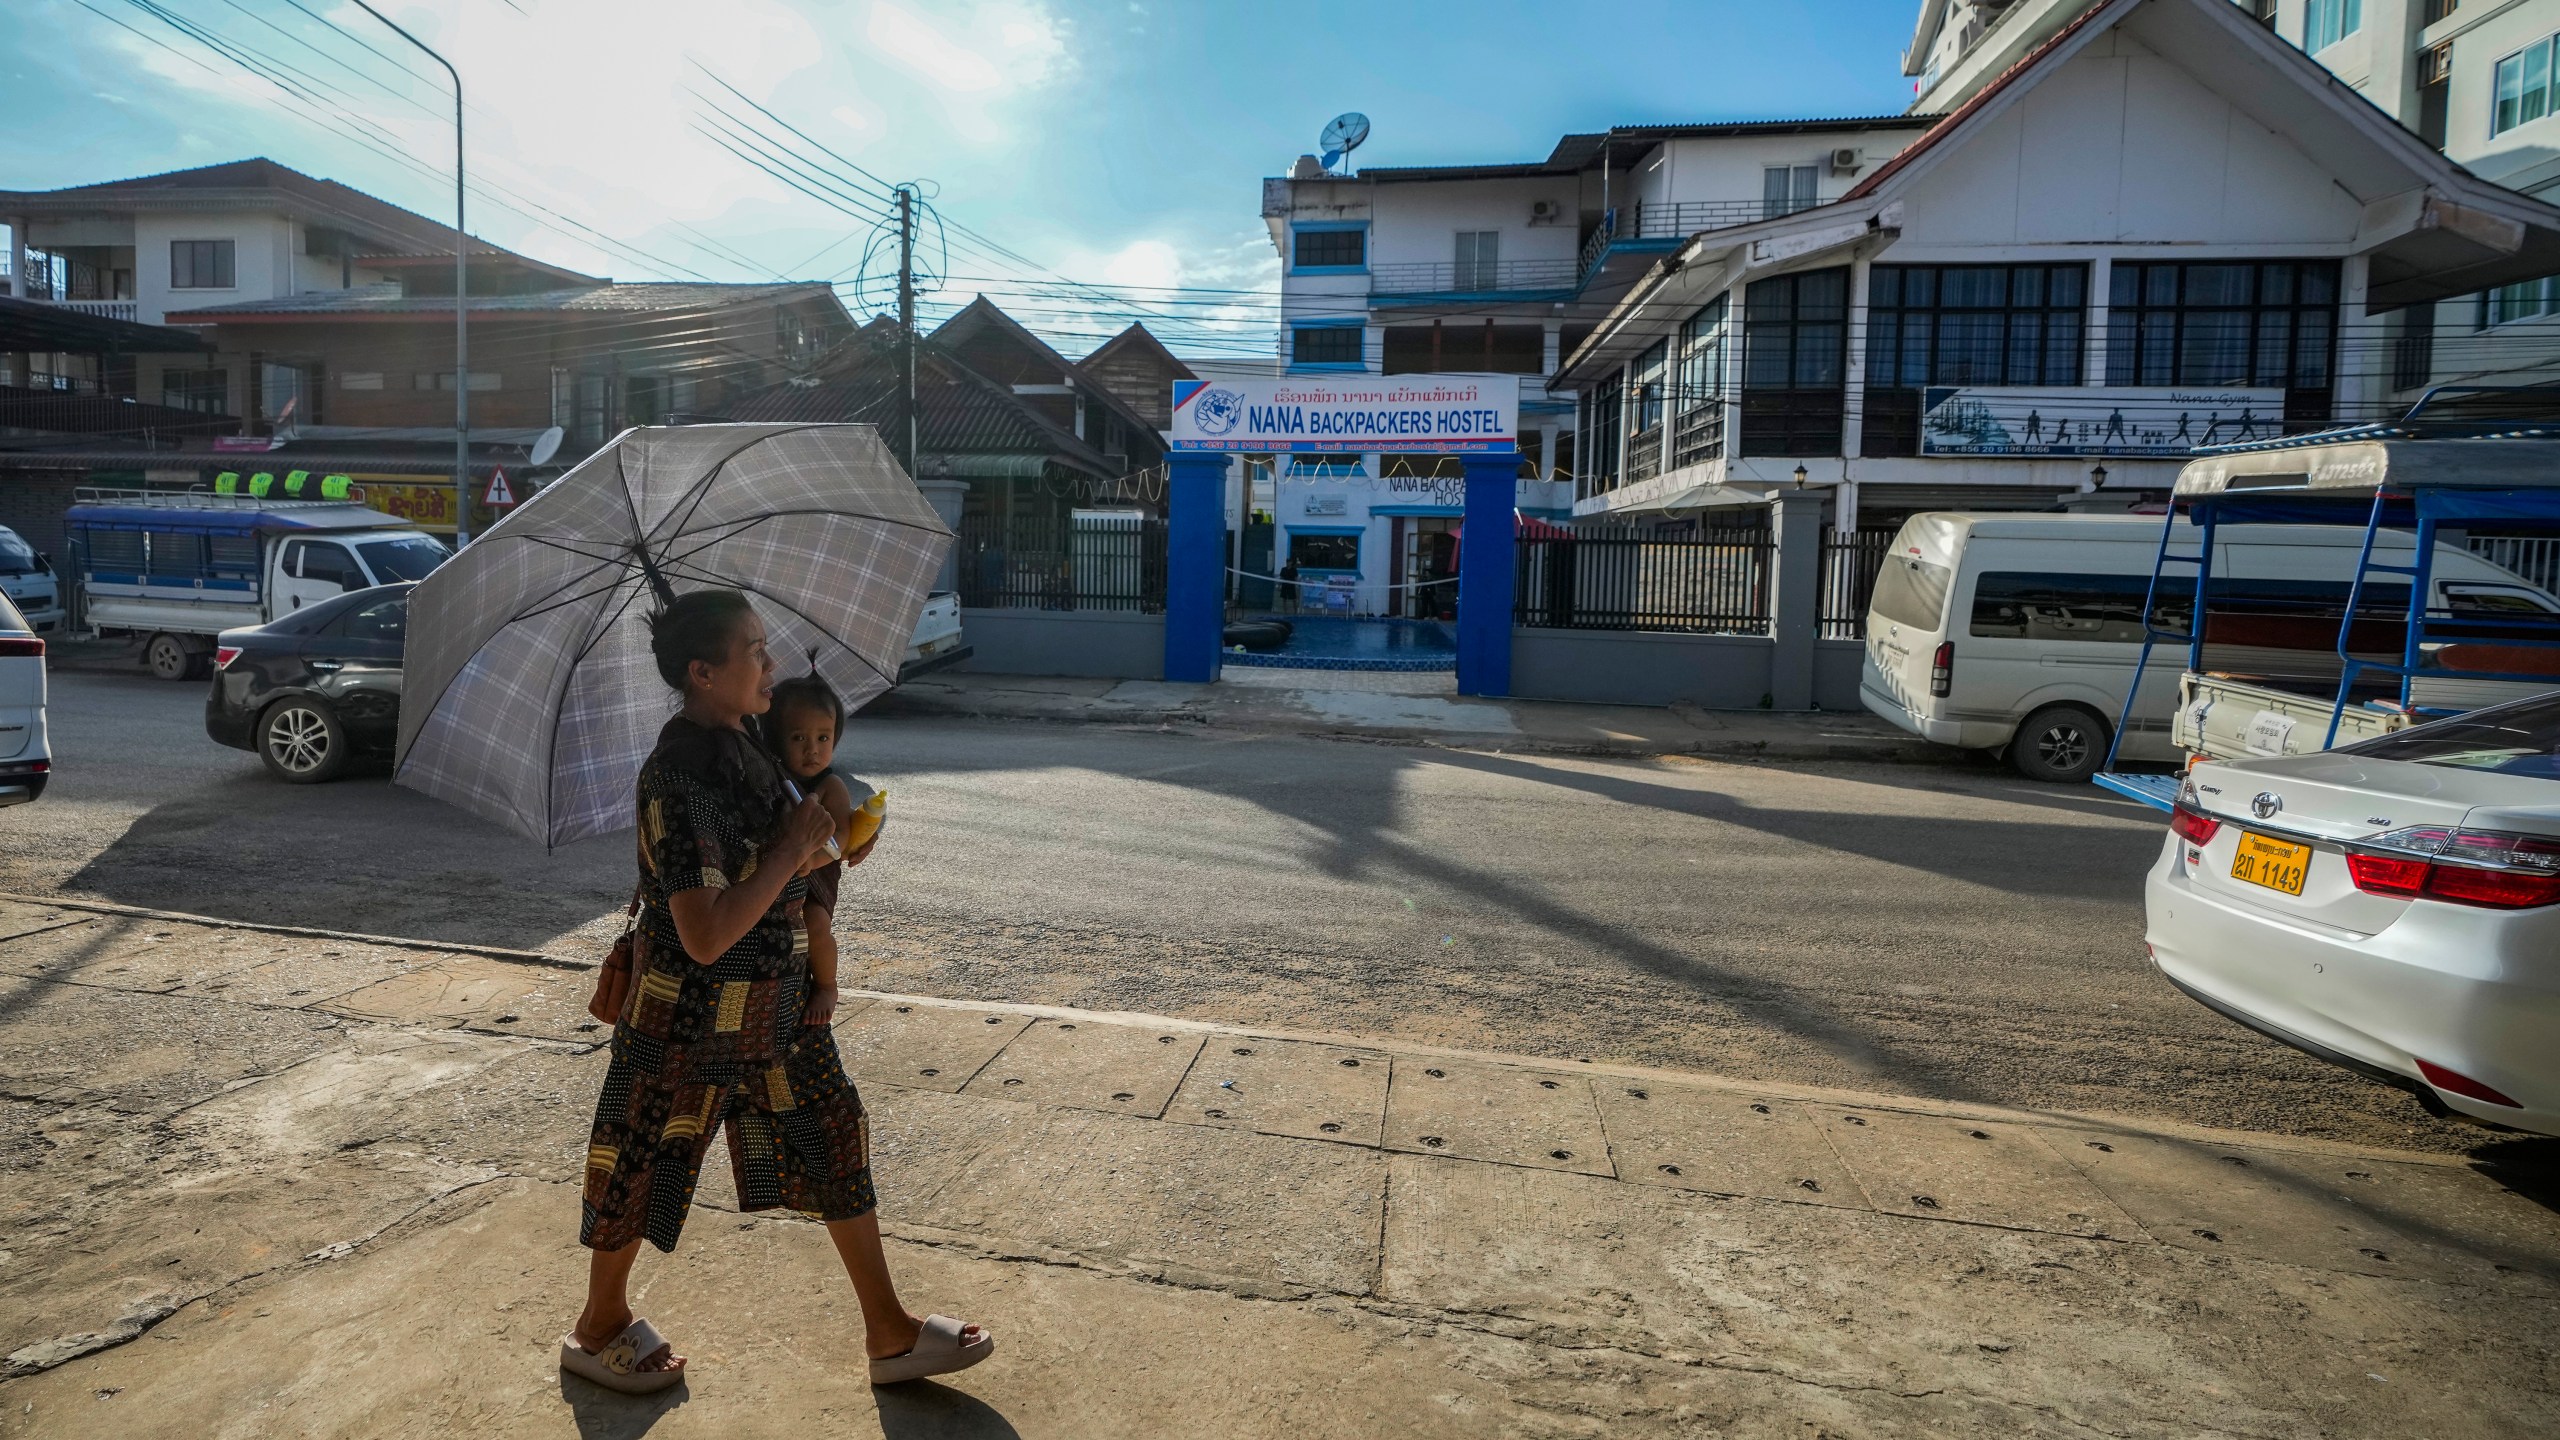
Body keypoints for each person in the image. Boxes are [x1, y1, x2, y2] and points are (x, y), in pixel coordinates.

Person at [560, 589, 991, 1394]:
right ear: (703, 671)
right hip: (686, 1015)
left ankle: (889, 1332)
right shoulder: (677, 777)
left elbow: (789, 854)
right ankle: (596, 1328)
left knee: (834, 1135)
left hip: (779, 1005)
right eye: (753, 650)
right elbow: (706, 931)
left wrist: (835, 840)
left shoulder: (751, 746)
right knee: (644, 1156)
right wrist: (793, 847)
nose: (770, 663)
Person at [762, 672, 878, 1019]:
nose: (812, 748)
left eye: (823, 737)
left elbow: (840, 837)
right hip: (782, 870)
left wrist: (810, 860)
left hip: (816, 872)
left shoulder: (830, 785)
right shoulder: (775, 777)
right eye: (798, 737)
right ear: (775, 740)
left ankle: (827, 984)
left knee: (815, 923)